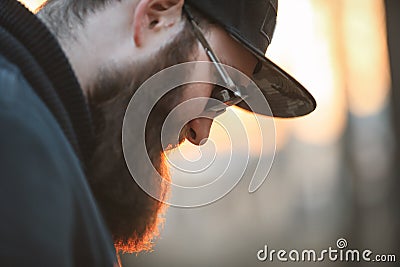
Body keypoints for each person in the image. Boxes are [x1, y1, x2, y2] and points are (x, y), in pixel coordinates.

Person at [0, 0, 316, 266]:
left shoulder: (46, 152)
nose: (201, 133)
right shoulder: (19, 145)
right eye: (220, 90)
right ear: (155, 16)